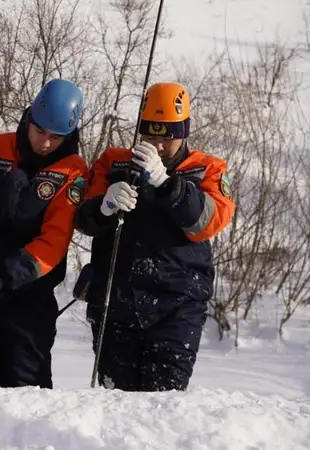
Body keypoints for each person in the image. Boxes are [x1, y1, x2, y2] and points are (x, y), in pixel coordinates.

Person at [75, 81, 235, 392]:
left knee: (163, 401)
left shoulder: (207, 169)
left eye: (167, 138)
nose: (158, 146)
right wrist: (104, 206)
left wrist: (166, 183)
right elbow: (83, 218)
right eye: (150, 135)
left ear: (183, 133)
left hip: (177, 306)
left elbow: (209, 221)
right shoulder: (114, 162)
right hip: (116, 301)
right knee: (116, 399)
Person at [0, 79, 88, 388]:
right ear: (29, 119)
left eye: (55, 137)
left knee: (28, 392)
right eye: (40, 131)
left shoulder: (73, 171)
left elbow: (52, 242)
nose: (44, 143)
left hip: (31, 296)